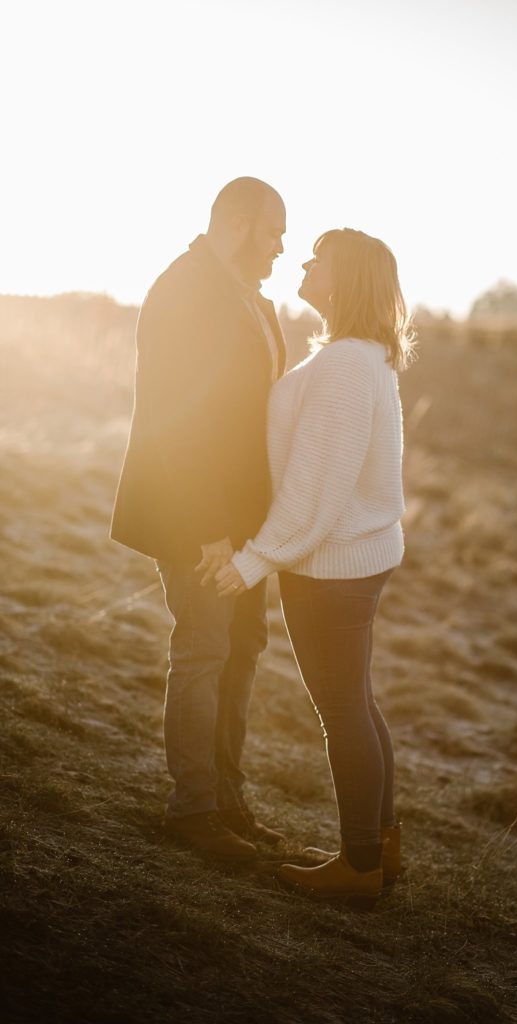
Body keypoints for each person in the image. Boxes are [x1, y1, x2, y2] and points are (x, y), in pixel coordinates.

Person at [215, 228, 414, 906]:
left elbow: (316, 486)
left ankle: (358, 865)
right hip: (353, 557)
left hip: (331, 566)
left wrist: (254, 560)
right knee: (356, 702)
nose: (304, 261)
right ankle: (380, 849)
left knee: (342, 710)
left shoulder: (344, 365)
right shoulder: (359, 355)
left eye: (319, 258)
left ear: (346, 278)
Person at [111, 177, 288, 860]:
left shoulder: (252, 299)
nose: (280, 248)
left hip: (248, 523)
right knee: (204, 649)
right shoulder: (183, 290)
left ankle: (228, 801)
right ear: (239, 224)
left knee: (241, 650)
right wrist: (210, 530)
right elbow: (177, 423)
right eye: (274, 232)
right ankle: (193, 810)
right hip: (197, 518)